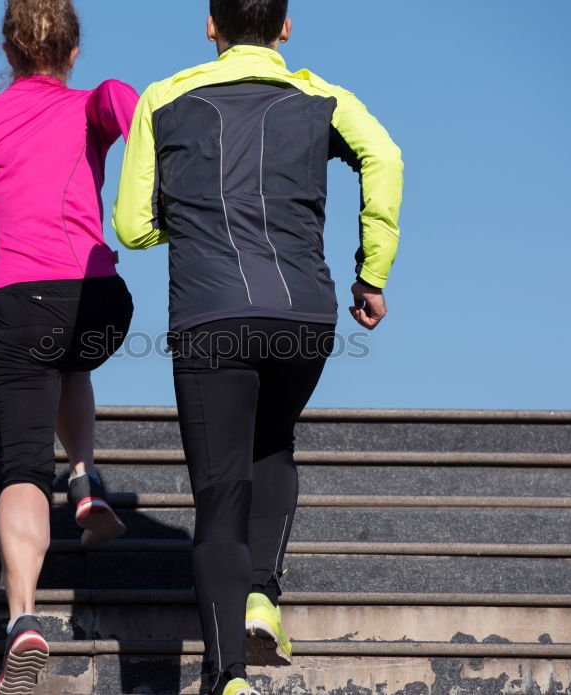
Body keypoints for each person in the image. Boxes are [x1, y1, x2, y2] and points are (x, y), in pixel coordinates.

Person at [112, 1, 404, 694]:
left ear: (209, 25)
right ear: (285, 26)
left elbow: (130, 225)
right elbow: (385, 156)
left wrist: (187, 227)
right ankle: (262, 595)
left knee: (218, 493)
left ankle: (227, 678)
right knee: (272, 443)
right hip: (305, 312)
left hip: (212, 314)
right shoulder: (324, 96)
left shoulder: (163, 97)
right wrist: (373, 270)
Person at [0, 1, 138, 692]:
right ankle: (84, 478)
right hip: (98, 300)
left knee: (23, 470)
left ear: (9, 49)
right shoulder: (92, 103)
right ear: (73, 52)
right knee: (72, 355)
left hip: (16, 305)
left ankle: (24, 618)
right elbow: (129, 106)